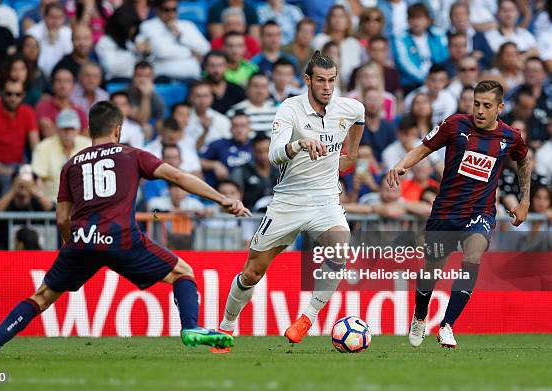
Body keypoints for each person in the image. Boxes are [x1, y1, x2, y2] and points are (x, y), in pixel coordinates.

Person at [0, 100, 250, 360]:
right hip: (121, 238)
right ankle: (191, 327)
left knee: (41, 297)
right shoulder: (132, 155)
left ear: (89, 129)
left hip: (80, 240)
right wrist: (222, 199)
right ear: (118, 129)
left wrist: (73, 247)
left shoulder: (71, 165)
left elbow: (62, 218)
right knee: (182, 273)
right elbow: (176, 176)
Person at [213, 51, 365, 353]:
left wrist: (353, 153)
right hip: (289, 200)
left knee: (340, 245)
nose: (327, 87)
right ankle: (225, 329)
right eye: (320, 80)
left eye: (332, 80)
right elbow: (274, 154)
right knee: (252, 272)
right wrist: (299, 144)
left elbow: (359, 118)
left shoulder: (348, 107)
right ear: (307, 80)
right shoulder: (289, 109)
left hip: (325, 198)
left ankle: (307, 319)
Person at [387, 80, 531, 348]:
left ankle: (447, 325)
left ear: (499, 107)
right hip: (445, 212)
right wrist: (401, 165)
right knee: (432, 271)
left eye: (487, 106)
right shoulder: (455, 125)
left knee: (473, 256)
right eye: (476, 104)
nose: (479, 110)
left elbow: (523, 160)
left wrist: (525, 201)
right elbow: (424, 147)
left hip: (480, 212)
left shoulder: (510, 136)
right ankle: (420, 316)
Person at [0, 79, 40, 196]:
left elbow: (35, 144)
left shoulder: (28, 112)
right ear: (2, 93)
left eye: (18, 94)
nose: (13, 98)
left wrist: (36, 169)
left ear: (23, 95)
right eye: (9, 94)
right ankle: (5, 215)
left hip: (19, 165)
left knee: (34, 180)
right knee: (10, 181)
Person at [135, 0, 210, 82]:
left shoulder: (188, 25)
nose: (171, 14)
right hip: (162, 77)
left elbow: (205, 49)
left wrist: (180, 36)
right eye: (166, 10)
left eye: (174, 9)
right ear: (157, 10)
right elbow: (162, 52)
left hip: (191, 76)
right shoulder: (148, 26)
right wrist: (189, 52)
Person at [31, 109, 91, 201]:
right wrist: (45, 203)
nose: (68, 133)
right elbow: (38, 180)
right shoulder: (43, 147)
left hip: (83, 203)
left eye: (71, 129)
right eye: (64, 129)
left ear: (78, 130)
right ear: (57, 129)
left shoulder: (88, 145)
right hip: (52, 203)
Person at [392, 3, 449, 93]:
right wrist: (426, 80)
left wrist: (436, 79)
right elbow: (405, 64)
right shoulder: (401, 39)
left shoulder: (437, 35)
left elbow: (444, 57)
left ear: (427, 20)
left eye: (419, 18)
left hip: (438, 82)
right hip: (414, 85)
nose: (416, 22)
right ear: (408, 21)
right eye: (412, 18)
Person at [312, 5, 362, 86]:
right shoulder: (319, 40)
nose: (338, 20)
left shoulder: (354, 44)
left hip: (350, 85)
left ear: (347, 20)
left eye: (341, 16)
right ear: (329, 20)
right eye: (334, 16)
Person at [200, 111, 253, 187]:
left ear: (249, 128)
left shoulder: (257, 146)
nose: (239, 130)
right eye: (235, 126)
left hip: (252, 190)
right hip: (223, 189)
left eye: (243, 126)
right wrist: (215, 165)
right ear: (230, 129)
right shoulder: (219, 144)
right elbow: (199, 162)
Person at [230, 133, 279, 210]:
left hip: (276, 217)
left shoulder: (279, 171)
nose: (263, 155)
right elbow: (234, 198)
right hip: (249, 218)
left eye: (267, 150)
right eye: (259, 151)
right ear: (252, 151)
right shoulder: (241, 171)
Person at [35, 68, 88, 138]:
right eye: (58, 81)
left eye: (67, 81)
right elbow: (48, 133)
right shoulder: (43, 106)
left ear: (73, 86)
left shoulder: (80, 111)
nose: (63, 85)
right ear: (52, 85)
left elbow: (85, 138)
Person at [26, 3, 73, 78]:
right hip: (38, 76)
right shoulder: (33, 33)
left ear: (64, 19)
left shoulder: (69, 33)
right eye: (52, 17)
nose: (55, 21)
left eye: (59, 18)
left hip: (60, 76)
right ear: (44, 17)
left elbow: (69, 58)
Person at [186, 81, 231, 151]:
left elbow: (228, 146)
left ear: (212, 98)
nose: (202, 100)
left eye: (206, 96)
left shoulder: (222, 120)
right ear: (190, 98)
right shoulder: (184, 119)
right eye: (198, 96)